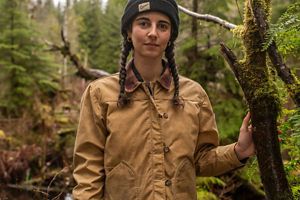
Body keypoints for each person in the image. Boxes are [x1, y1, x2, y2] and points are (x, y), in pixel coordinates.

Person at [72, 0, 255, 199]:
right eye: (143, 23)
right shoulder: (101, 94)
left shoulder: (193, 95)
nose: (153, 33)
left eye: (162, 26)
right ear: (128, 32)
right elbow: (88, 173)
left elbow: (202, 160)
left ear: (170, 36)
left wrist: (239, 150)